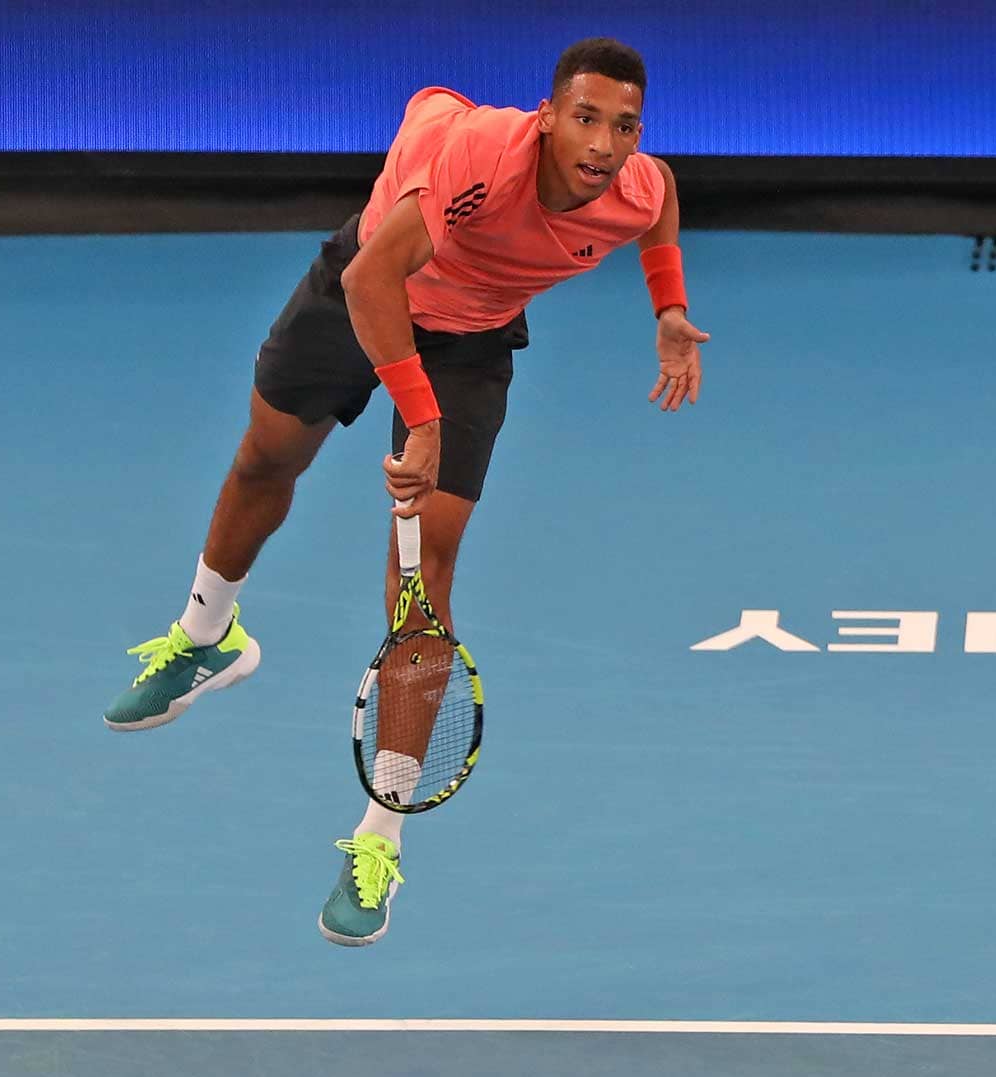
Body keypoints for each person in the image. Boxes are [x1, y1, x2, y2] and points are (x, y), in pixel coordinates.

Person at [101, 37, 708, 947]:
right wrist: (416, 417)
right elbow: (370, 278)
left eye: (624, 127)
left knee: (422, 585)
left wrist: (666, 311)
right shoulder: (481, 165)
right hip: (370, 286)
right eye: (585, 118)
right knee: (267, 458)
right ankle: (206, 636)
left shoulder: (636, 186)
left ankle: (379, 836)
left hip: (472, 339)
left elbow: (659, 217)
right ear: (548, 118)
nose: (604, 144)